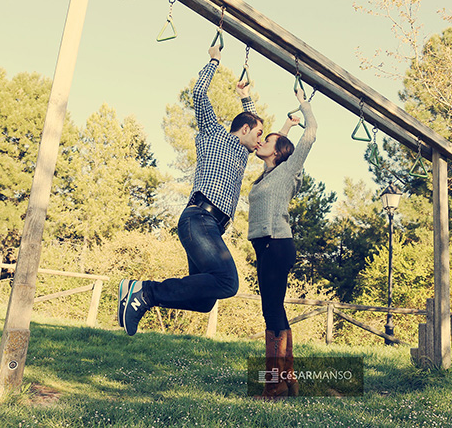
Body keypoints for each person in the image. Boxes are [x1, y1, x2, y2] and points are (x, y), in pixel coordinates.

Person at [119, 43, 263, 336]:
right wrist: (214, 61)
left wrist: (246, 97)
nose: (261, 141)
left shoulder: (243, 153)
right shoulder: (214, 135)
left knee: (204, 301)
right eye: (259, 134)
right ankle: (145, 293)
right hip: (199, 218)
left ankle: (142, 294)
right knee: (228, 282)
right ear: (245, 130)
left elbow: (253, 120)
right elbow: (199, 94)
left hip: (210, 227)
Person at [249, 87, 317, 398]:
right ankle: (287, 379)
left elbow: (311, 134)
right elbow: (279, 142)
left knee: (271, 311)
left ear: (279, 151)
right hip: (265, 246)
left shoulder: (289, 169)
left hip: (277, 243)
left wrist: (303, 105)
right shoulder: (267, 174)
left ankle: (274, 384)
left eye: (268, 140)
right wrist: (285, 126)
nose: (261, 142)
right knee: (275, 310)